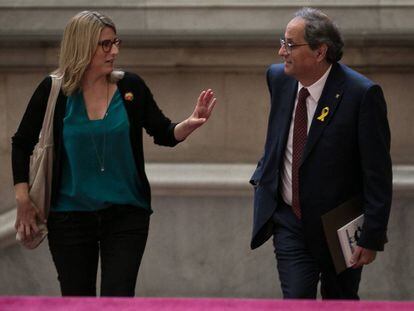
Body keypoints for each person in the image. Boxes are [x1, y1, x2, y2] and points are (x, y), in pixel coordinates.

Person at [12, 11, 217, 297]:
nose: (115, 51)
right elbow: (21, 143)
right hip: (69, 218)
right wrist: (23, 199)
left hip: (126, 215)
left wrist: (190, 123)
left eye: (115, 42)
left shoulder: (130, 87)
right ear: (82, 46)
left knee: (118, 299)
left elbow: (164, 133)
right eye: (105, 45)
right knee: (76, 300)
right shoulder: (53, 91)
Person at [250, 7, 392, 299]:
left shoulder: (361, 95)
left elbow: (377, 172)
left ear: (319, 52)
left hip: (339, 225)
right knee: (296, 299)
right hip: (289, 221)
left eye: (290, 44)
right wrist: (263, 174)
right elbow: (279, 139)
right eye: (282, 41)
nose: (281, 52)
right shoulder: (278, 79)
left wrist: (372, 235)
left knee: (340, 301)